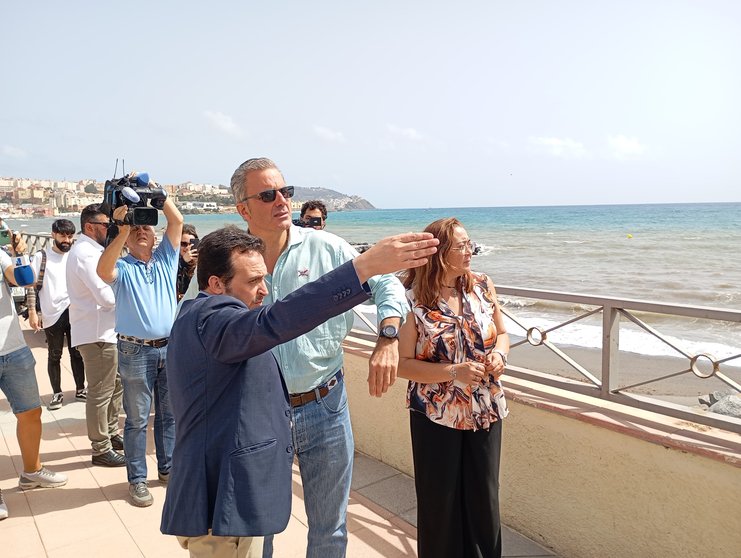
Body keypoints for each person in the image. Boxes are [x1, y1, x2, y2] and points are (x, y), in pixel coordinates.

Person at [160, 225, 437, 557]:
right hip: (220, 511)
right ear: (216, 284)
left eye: (263, 278)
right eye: (251, 282)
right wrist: (363, 267)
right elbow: (276, 321)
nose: (263, 291)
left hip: (228, 498)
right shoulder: (212, 320)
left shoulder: (199, 314)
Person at [230, 157, 408, 557]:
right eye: (267, 194)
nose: (282, 201)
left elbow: (388, 287)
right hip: (257, 412)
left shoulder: (328, 248)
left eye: (285, 192)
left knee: (330, 530)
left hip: (324, 405)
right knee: (259, 529)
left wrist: (388, 338)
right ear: (243, 208)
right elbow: (196, 320)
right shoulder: (229, 258)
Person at [397, 217, 510, 558]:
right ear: (439, 252)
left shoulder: (482, 285)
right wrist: (453, 372)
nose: (469, 251)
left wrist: (500, 356)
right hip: (436, 413)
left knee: (484, 497)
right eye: (461, 246)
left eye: (469, 243)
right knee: (439, 500)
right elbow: (403, 365)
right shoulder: (412, 299)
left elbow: (502, 335)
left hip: (486, 408)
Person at [97, 186, 182, 508]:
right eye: (136, 230)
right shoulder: (123, 267)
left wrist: (160, 197)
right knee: (135, 419)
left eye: (146, 227)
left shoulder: (165, 259)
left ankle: (168, 468)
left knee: (169, 415)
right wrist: (120, 230)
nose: (142, 232)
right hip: (135, 351)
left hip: (168, 348)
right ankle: (136, 480)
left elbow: (176, 222)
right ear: (127, 239)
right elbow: (103, 271)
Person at [1, 231, 68, 521]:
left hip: (12, 348)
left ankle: (32, 472)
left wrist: (18, 253)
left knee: (30, 412)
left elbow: (23, 278)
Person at [67, 204, 126, 468]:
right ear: (90, 226)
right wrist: (130, 297)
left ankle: (111, 433)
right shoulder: (86, 254)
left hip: (104, 331)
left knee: (114, 386)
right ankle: (100, 447)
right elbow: (105, 296)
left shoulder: (91, 251)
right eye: (106, 225)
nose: (109, 229)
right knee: (101, 392)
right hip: (97, 332)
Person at [26, 218, 86, 410]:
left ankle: (80, 389)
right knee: (54, 354)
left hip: (74, 310)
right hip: (52, 313)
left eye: (70, 236)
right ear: (54, 235)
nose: (67, 240)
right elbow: (31, 286)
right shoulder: (41, 256)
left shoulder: (74, 255)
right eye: (63, 235)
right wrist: (33, 312)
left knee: (77, 353)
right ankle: (57, 393)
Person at [176, 223, 198, 301]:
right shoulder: (172, 263)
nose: (187, 248)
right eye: (184, 244)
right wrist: (183, 261)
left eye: (191, 244)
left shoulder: (200, 264)